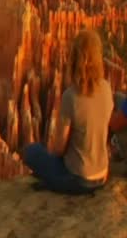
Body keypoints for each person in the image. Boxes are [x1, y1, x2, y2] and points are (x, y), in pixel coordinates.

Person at [23, 29, 112, 194]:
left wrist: (50, 151)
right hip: (103, 175)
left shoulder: (70, 96)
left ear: (75, 60)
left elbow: (59, 149)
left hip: (79, 180)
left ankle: (52, 183)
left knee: (30, 152)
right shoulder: (107, 88)